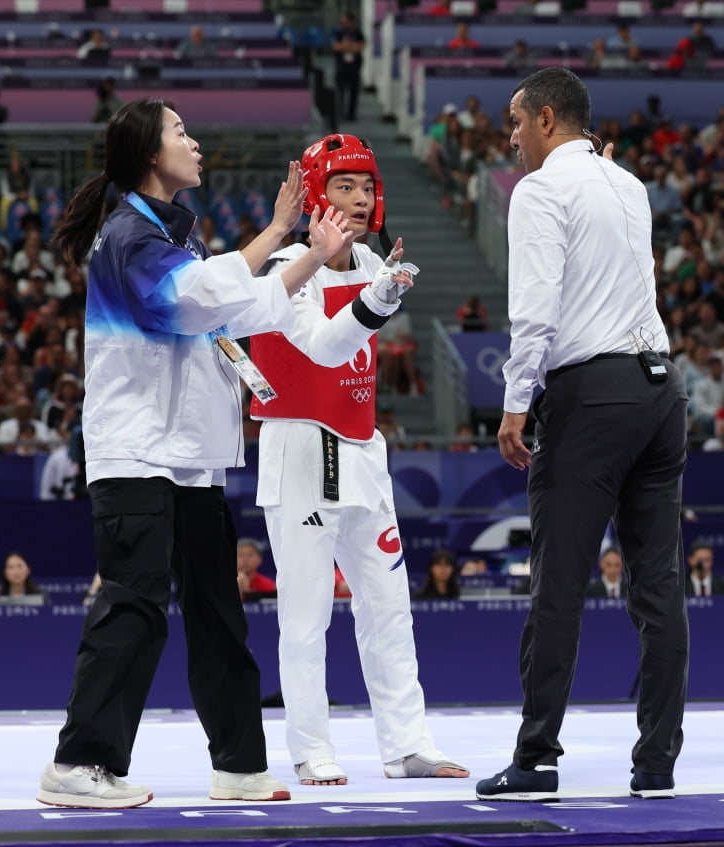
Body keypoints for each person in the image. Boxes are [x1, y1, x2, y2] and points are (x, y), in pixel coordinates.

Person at [36, 97, 350, 809]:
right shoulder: (129, 237)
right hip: (138, 455)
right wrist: (275, 230)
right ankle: (79, 763)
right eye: (182, 131)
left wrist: (313, 258)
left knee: (217, 609)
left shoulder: (180, 240)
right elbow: (192, 300)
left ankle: (239, 763)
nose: (196, 142)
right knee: (134, 605)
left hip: (190, 458)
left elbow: (233, 309)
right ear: (151, 153)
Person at [477, 68, 688, 803]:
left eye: (513, 120)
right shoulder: (627, 184)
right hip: (661, 390)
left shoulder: (538, 190)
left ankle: (535, 760)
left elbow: (534, 308)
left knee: (559, 580)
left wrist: (513, 404)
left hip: (592, 396)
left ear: (543, 118)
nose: (509, 137)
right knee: (658, 584)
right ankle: (657, 761)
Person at [247, 133, 468, 788]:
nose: (362, 196)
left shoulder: (372, 257)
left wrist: (378, 291)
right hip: (302, 452)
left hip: (362, 450)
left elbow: (360, 347)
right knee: (307, 612)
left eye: (367, 185)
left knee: (389, 604)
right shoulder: (284, 266)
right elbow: (320, 347)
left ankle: (408, 744)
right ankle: (312, 749)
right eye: (346, 185)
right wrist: (379, 301)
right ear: (315, 192)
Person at [330, 12, 366, 124]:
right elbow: (336, 46)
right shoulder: (338, 33)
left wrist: (345, 47)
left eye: (346, 22)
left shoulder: (358, 33)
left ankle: (351, 114)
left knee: (354, 91)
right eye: (342, 22)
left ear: (351, 22)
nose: (344, 24)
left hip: (354, 66)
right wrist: (351, 46)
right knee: (340, 91)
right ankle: (340, 113)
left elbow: (360, 47)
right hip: (341, 66)